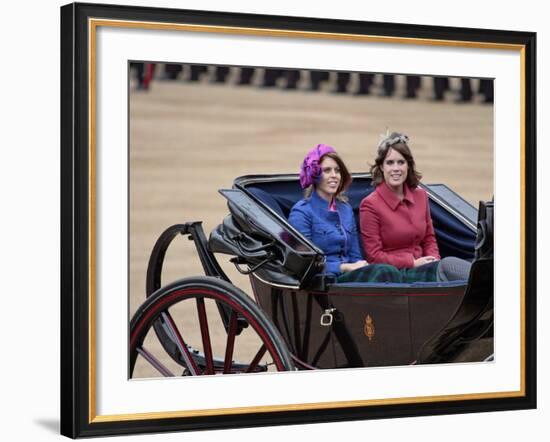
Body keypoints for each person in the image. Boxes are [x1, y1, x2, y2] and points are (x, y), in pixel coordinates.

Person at [359, 132, 471, 282]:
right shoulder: (370, 204)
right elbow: (373, 256)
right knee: (449, 265)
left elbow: (429, 238)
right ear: (381, 167)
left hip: (425, 266)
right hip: (397, 274)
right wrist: (412, 262)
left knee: (456, 267)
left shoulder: (421, 196)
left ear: (408, 165)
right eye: (390, 162)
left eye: (401, 162)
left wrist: (433, 259)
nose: (396, 168)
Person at [289, 144, 401, 283]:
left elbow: (355, 255)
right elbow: (303, 264)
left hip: (350, 278)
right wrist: (344, 267)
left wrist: (360, 267)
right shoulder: (302, 212)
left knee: (390, 271)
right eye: (327, 171)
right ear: (315, 175)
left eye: (337, 171)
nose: (334, 176)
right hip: (324, 282)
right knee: (385, 271)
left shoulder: (345, 209)